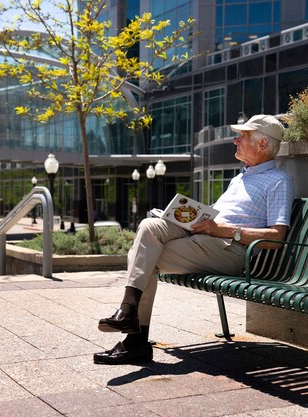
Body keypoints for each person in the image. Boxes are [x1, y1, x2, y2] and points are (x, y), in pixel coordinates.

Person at [94, 114, 295, 365]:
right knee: (149, 226)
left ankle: (134, 336)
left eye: (242, 136)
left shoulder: (279, 181)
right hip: (205, 237)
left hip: (230, 249)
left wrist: (225, 230)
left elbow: (277, 237)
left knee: (144, 256)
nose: (235, 141)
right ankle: (128, 313)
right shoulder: (240, 177)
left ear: (262, 144)